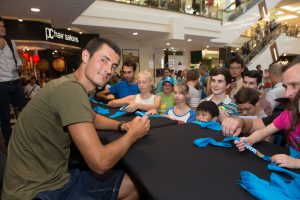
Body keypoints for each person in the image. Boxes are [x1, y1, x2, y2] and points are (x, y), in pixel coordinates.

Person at [2, 37, 150, 199]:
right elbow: (100, 162)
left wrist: (122, 126)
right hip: (34, 192)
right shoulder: (70, 91)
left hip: (54, 180)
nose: (109, 70)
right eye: (104, 60)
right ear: (86, 56)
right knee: (136, 184)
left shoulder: (69, 85)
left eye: (113, 66)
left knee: (133, 185)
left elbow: (91, 117)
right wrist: (133, 133)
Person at [222, 57, 300, 137]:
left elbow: (265, 130)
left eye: (251, 83)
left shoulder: (265, 103)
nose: (247, 86)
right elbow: (257, 125)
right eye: (245, 82)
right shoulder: (288, 115)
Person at [235, 90, 300, 169]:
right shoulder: (288, 116)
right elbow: (263, 132)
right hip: (292, 154)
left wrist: (296, 162)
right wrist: (250, 140)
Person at [0, 17, 27, 144]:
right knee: (4, 117)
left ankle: (27, 137)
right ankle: (9, 143)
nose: (3, 28)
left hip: (16, 82)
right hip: (1, 86)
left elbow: (17, 58)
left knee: (24, 112)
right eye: (0, 26)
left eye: (3, 26)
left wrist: (20, 66)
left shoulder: (11, 42)